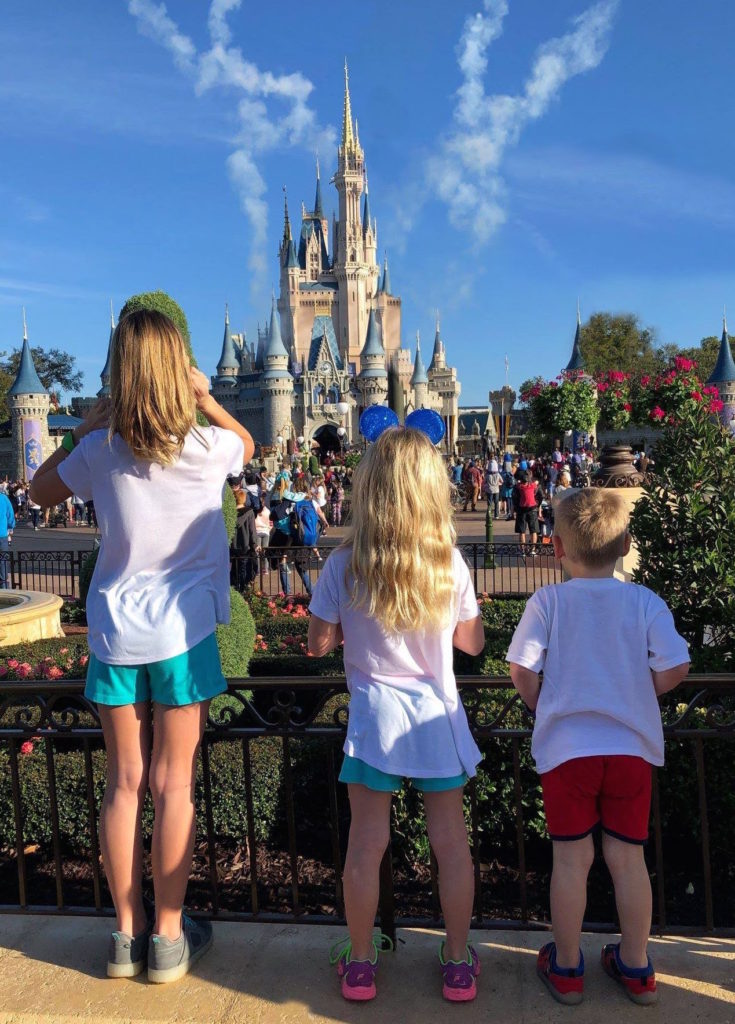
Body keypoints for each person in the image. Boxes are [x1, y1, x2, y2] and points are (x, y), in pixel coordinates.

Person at [29, 309, 253, 984]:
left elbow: (40, 491)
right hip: (184, 636)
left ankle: (124, 936)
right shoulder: (209, 447)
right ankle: (167, 937)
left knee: (125, 785)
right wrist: (206, 398)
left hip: (116, 632)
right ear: (175, 370)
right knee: (173, 784)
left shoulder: (101, 451)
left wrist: (92, 423)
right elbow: (248, 444)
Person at [308, 427, 485, 1003]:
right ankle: (457, 963)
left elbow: (316, 644)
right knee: (451, 845)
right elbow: (472, 644)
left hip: (375, 720)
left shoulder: (345, 564)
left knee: (366, 847)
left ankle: (360, 965)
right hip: (436, 717)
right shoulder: (449, 563)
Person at [507, 488, 689, 1007]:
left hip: (567, 750)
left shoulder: (548, 602)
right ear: (625, 544)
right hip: (630, 748)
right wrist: (632, 692)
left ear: (557, 548)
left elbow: (521, 668)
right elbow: (676, 666)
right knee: (628, 859)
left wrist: (548, 704)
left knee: (572, 860)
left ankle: (567, 968)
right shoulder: (644, 602)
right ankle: (635, 966)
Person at [513, 471, 543, 555]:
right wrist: (537, 504)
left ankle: (522, 550)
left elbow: (514, 498)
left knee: (522, 531)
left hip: (522, 510)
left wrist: (516, 508)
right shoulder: (533, 486)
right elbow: (541, 495)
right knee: (533, 530)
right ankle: (533, 550)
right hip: (532, 510)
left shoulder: (519, 487)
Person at [0, 488, 15, 588]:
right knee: (2, 559)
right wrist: (10, 527)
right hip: (1, 534)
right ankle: (3, 582)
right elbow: (10, 515)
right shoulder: (3, 498)